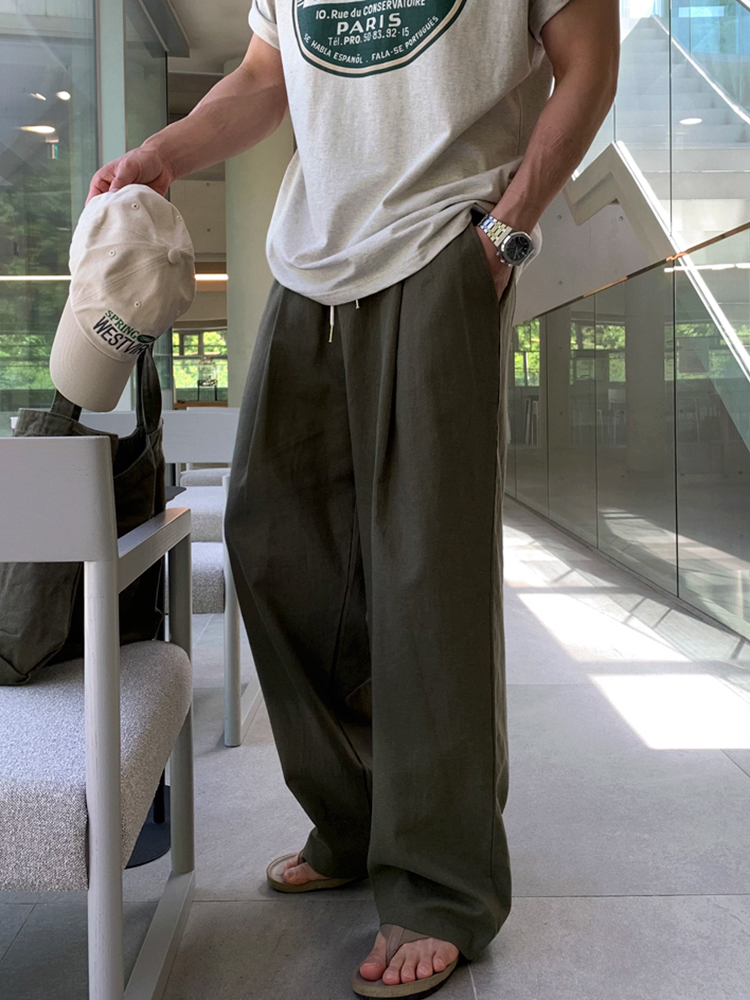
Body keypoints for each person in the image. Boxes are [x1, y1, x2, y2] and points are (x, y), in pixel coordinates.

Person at [88, 0, 619, 994]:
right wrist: (165, 151)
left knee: (427, 573)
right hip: (310, 264)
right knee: (272, 544)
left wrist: (506, 234)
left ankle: (441, 881)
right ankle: (358, 813)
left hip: (444, 245)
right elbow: (263, 78)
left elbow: (587, 64)